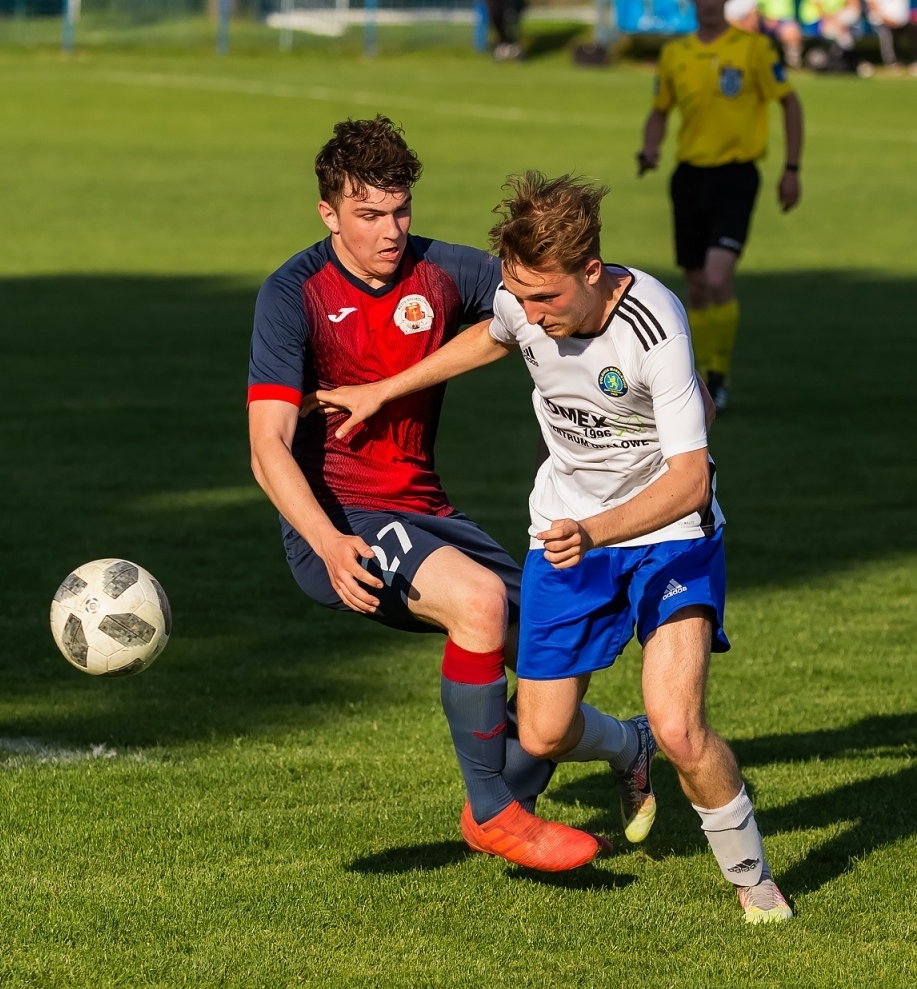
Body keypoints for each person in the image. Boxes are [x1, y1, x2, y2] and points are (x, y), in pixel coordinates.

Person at [313, 173, 793, 923]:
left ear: (592, 273)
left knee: (680, 726)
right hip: (567, 534)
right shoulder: (523, 302)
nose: (529, 316)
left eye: (546, 300)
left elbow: (692, 483)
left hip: (665, 539)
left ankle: (753, 879)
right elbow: (493, 333)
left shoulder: (655, 325)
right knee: (540, 731)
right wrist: (387, 389)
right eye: (521, 297)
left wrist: (595, 532)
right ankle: (625, 748)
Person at [247, 118, 652, 874]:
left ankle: (627, 746)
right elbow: (266, 448)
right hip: (342, 516)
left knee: (556, 653)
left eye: (400, 211)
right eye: (368, 215)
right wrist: (330, 542)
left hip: (427, 510)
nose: (390, 230)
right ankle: (499, 813)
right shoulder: (293, 295)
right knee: (477, 605)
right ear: (329, 214)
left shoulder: (442, 273)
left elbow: (549, 288)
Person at [637, 0, 804, 412]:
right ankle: (697, 376)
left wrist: (792, 168)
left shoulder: (754, 49)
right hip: (689, 178)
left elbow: (790, 102)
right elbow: (660, 111)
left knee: (715, 278)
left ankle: (718, 376)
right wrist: (651, 147)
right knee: (695, 286)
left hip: (736, 176)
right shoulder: (675, 54)